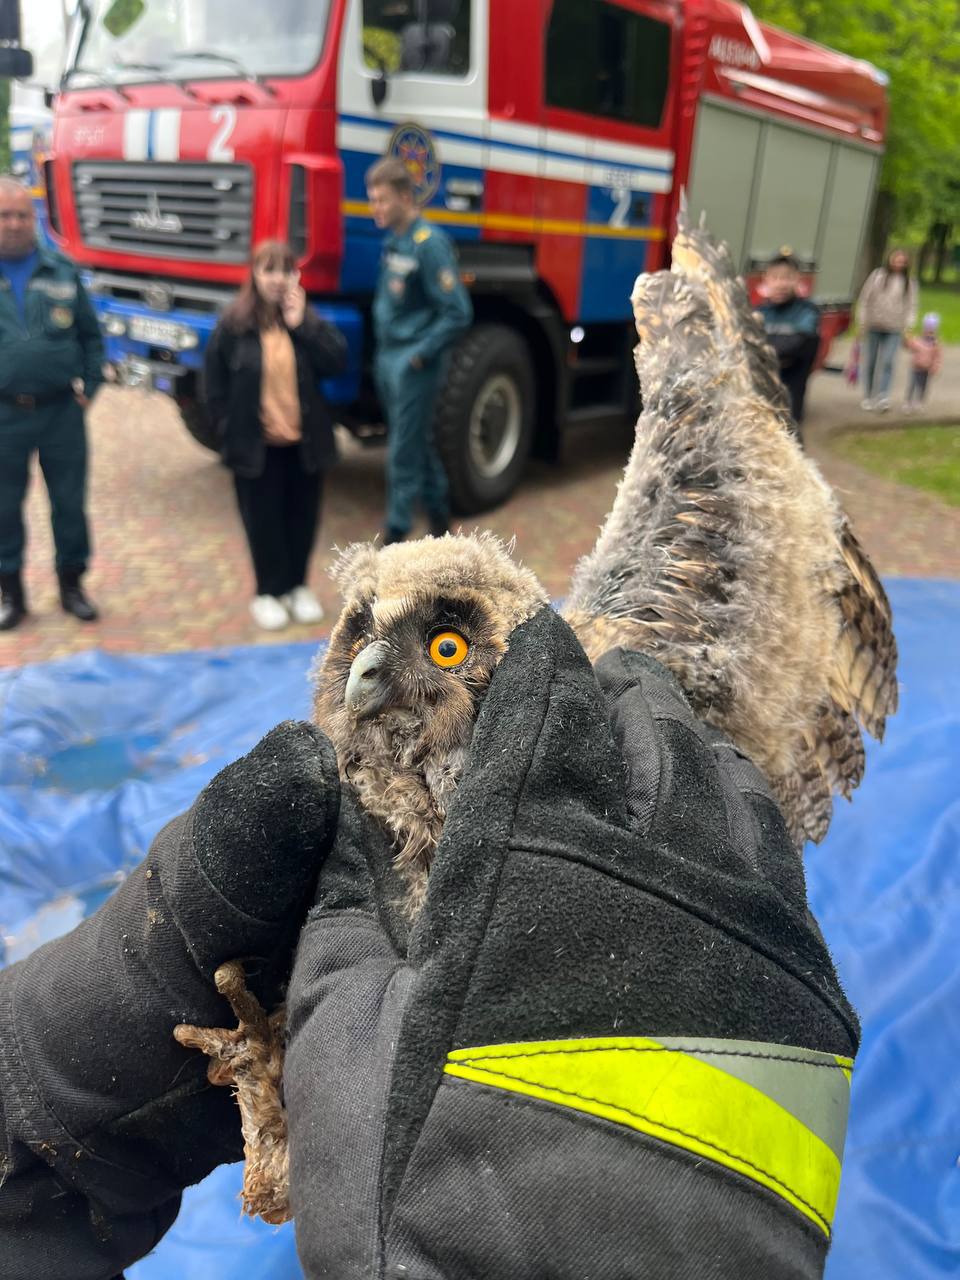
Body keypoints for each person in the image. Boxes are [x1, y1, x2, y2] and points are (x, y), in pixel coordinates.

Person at [0, 607, 858, 1279]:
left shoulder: (573, 738)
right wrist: (30, 1115)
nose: (374, 664)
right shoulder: (341, 802)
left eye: (443, 646)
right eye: (360, 637)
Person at [204, 242, 347, 630]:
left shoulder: (304, 321)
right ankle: (268, 592)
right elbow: (212, 386)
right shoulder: (232, 325)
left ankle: (297, 587)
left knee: (301, 520)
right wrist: (226, 431)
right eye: (268, 270)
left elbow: (337, 361)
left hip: (303, 447)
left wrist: (304, 324)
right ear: (254, 274)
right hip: (257, 449)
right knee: (263, 523)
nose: (276, 278)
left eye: (284, 270)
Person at [0, 176, 104, 631]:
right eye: (4, 215)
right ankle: (10, 593)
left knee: (69, 502)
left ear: (32, 218)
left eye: (22, 214)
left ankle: (72, 584)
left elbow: (92, 338)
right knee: (3, 505)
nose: (14, 223)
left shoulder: (61, 270)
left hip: (62, 411)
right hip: (4, 414)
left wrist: (92, 388)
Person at [367, 157, 472, 544]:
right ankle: (442, 521)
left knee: (403, 450)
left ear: (406, 197)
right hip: (389, 358)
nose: (375, 208)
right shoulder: (394, 242)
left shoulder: (430, 245)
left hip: (413, 363)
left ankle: (394, 533)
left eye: (382, 200)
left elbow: (458, 312)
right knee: (417, 442)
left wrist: (420, 354)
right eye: (372, 200)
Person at [757, 249, 821, 432]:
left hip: (789, 409)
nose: (780, 284)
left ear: (797, 280)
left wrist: (761, 350)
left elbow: (795, 346)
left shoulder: (807, 313)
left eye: (786, 278)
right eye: (775, 278)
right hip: (758, 407)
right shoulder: (759, 313)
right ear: (766, 280)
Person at [856, 247, 917, 412]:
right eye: (897, 259)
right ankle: (868, 395)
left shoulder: (909, 283)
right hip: (874, 325)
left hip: (894, 328)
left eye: (903, 261)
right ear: (890, 259)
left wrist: (908, 327)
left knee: (888, 361)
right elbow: (865, 300)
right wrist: (862, 322)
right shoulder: (878, 276)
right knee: (871, 361)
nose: (899, 263)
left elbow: (911, 306)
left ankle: (883, 396)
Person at [902, 311, 942, 413]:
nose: (929, 332)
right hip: (916, 368)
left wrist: (935, 367)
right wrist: (906, 339)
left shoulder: (935, 344)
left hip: (926, 370)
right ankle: (908, 402)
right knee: (912, 385)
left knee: (923, 387)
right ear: (924, 329)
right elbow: (909, 345)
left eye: (932, 330)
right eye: (928, 329)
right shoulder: (918, 340)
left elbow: (937, 357)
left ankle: (919, 402)